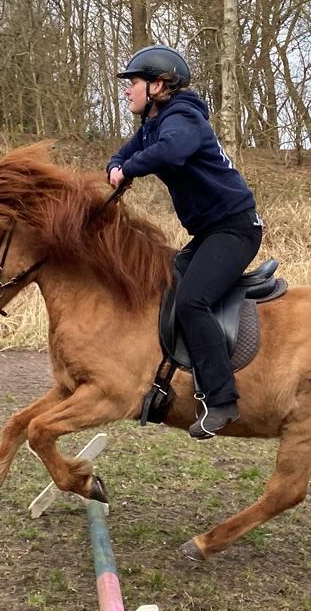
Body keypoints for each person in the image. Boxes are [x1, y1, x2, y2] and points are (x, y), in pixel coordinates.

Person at [107, 45, 263, 439]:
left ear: (157, 86)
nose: (128, 91)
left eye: (135, 83)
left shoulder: (184, 119)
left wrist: (128, 170)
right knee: (172, 282)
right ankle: (169, 377)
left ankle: (222, 399)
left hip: (235, 229)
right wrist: (116, 167)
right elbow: (123, 153)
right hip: (211, 231)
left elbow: (170, 153)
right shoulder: (152, 125)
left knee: (193, 300)